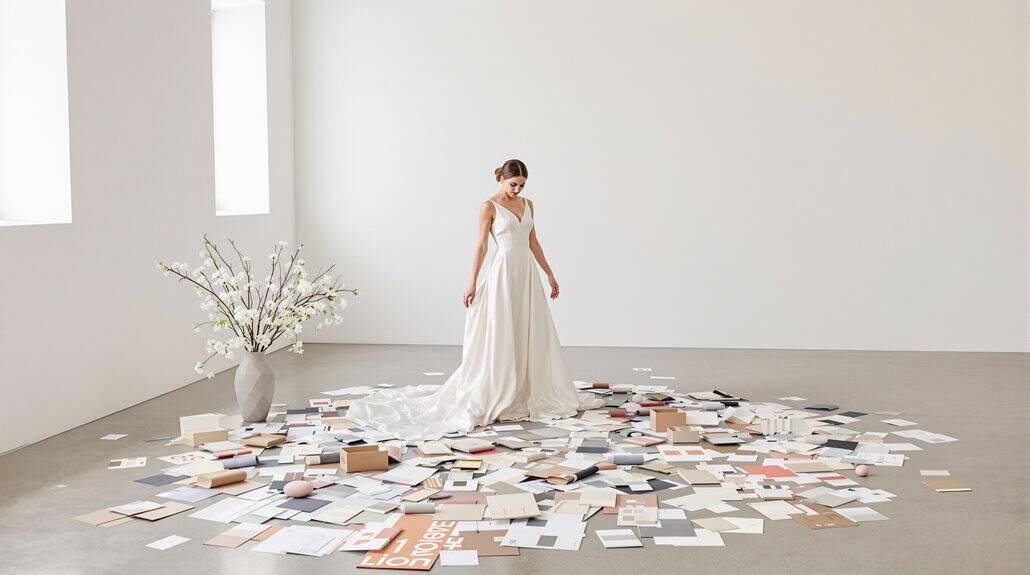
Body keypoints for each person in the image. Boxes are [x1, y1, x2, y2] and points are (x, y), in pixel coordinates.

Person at [346, 159, 600, 440]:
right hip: (502, 273)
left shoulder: (528, 205)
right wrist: (472, 282)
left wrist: (550, 274)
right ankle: (503, 386)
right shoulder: (488, 207)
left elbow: (533, 242)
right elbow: (480, 245)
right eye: (513, 184)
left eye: (522, 185)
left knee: (528, 328)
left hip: (526, 274)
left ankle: (527, 388)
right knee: (503, 330)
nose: (517, 189)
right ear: (501, 179)